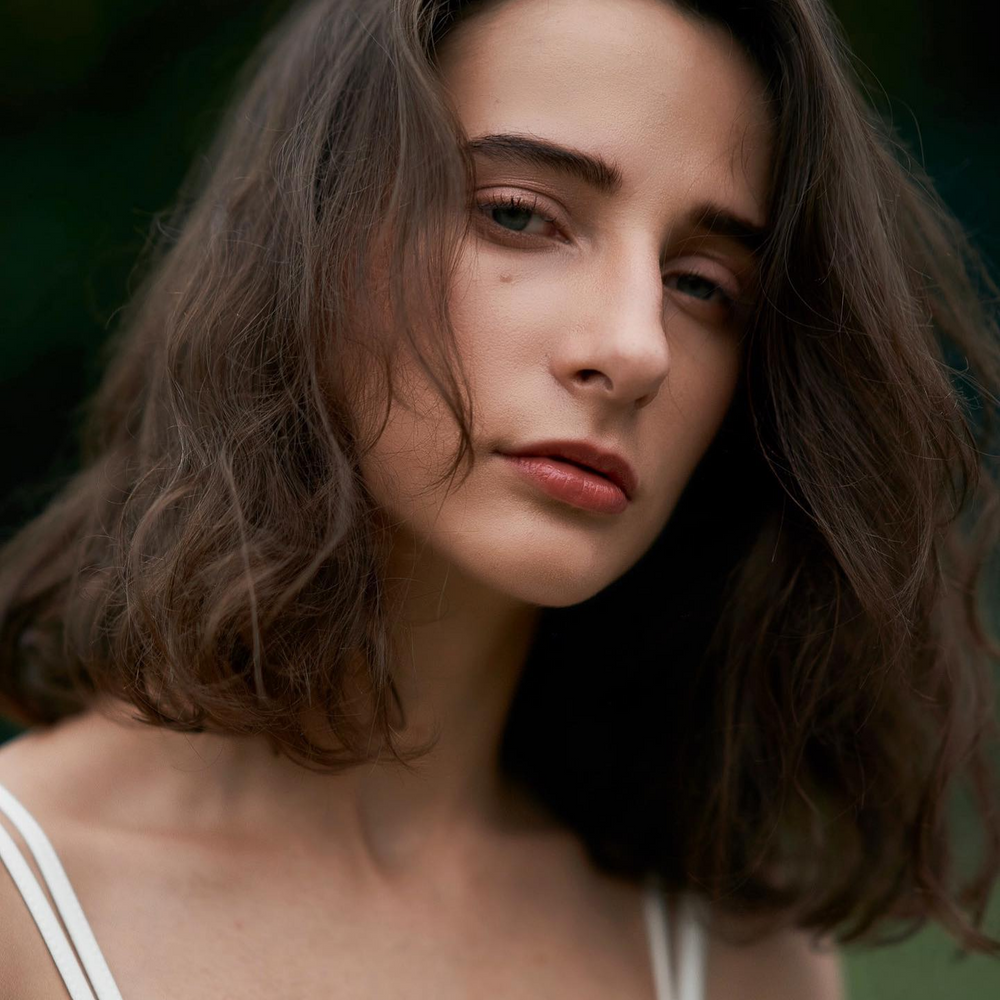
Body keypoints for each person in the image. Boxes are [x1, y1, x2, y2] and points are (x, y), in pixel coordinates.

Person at [0, 0, 998, 996]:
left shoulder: (736, 959)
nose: (634, 346)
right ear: (307, 234)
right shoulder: (26, 902)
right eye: (518, 215)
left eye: (702, 284)